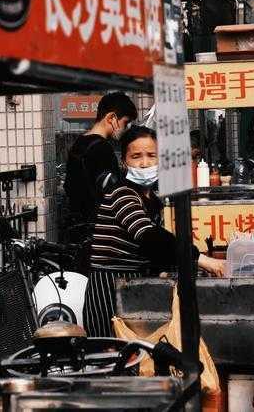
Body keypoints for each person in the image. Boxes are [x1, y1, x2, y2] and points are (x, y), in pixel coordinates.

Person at [83, 126, 224, 337]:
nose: (145, 163)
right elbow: (151, 239)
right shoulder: (123, 193)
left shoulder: (151, 200)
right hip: (109, 290)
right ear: (124, 161)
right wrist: (200, 259)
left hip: (131, 288)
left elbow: (154, 251)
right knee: (113, 357)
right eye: (136, 156)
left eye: (151, 156)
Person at [64, 92, 137, 240]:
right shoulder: (102, 148)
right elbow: (113, 194)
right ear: (111, 118)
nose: (126, 129)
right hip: (100, 230)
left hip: (78, 229)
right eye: (125, 123)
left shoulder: (79, 143)